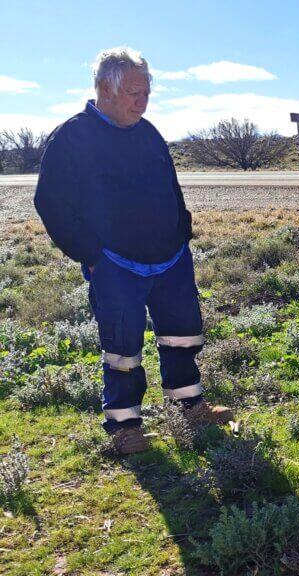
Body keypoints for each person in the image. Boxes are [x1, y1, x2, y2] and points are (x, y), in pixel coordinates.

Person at [34, 47, 233, 455]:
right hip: (115, 264)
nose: (142, 102)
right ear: (106, 89)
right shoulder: (72, 136)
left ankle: (189, 407)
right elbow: (50, 202)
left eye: (146, 93)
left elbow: (170, 186)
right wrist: (91, 254)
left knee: (183, 336)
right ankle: (124, 427)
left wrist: (183, 229)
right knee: (122, 347)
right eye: (133, 94)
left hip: (171, 258)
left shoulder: (148, 131)